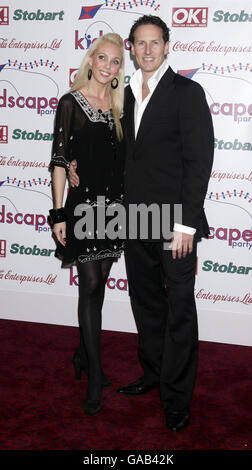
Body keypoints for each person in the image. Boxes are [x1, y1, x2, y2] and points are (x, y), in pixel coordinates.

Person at [69, 15, 214, 432]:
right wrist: (76, 164)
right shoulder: (124, 94)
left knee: (179, 310)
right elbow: (110, 149)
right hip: (133, 219)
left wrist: (186, 223)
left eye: (155, 42)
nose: (147, 50)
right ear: (131, 48)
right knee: (147, 305)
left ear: (167, 46)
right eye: (140, 43)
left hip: (174, 223)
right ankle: (153, 373)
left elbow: (199, 161)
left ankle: (177, 397)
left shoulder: (187, 93)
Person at [49, 33, 125, 416]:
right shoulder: (69, 103)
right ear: (91, 59)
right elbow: (60, 161)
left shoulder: (121, 105)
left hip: (115, 209)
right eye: (103, 58)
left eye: (115, 62)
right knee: (91, 284)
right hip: (82, 208)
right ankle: (95, 373)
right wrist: (58, 212)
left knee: (100, 288)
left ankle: (82, 352)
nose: (108, 66)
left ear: (118, 70)